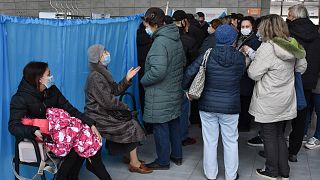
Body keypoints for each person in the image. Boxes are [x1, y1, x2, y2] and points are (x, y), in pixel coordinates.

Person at [8, 61, 111, 180]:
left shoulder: (51, 90)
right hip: (41, 136)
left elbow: (69, 108)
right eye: (49, 74)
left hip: (59, 133)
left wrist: (90, 123)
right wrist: (33, 131)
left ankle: (75, 173)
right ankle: (79, 172)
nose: (51, 76)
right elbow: (13, 126)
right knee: (78, 138)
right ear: (40, 79)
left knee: (84, 132)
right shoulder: (20, 98)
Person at [247, 14, 307, 179]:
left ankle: (272, 170)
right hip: (286, 96)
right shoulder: (291, 45)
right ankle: (284, 171)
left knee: (268, 135)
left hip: (268, 98)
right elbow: (301, 66)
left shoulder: (267, 47)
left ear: (266, 28)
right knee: (279, 134)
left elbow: (253, 73)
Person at [183, 24, 244, 180]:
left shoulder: (207, 54)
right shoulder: (240, 58)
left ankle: (211, 174)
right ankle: (231, 176)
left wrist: (186, 90)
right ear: (233, 39)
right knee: (231, 141)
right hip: (230, 106)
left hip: (207, 105)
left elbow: (190, 71)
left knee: (210, 141)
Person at [84, 44, 152, 174]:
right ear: (98, 58)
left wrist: (127, 79)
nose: (107, 53)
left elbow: (115, 91)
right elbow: (107, 102)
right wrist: (125, 107)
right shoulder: (95, 77)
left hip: (104, 112)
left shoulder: (102, 73)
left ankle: (128, 154)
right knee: (130, 124)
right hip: (97, 115)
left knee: (129, 119)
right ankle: (134, 163)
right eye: (104, 52)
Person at [141, 7, 185, 170]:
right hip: (173, 89)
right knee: (173, 123)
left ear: (152, 23)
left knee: (160, 126)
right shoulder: (174, 37)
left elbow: (158, 71)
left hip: (160, 92)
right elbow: (182, 61)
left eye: (146, 25)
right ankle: (177, 156)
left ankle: (163, 161)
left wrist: (143, 80)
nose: (145, 28)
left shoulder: (160, 42)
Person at [286, 4, 320, 162]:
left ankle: (276, 149)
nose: (287, 17)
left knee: (281, 115)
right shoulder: (316, 33)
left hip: (289, 78)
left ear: (295, 16)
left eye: (289, 15)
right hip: (307, 80)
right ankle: (293, 151)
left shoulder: (289, 32)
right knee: (301, 116)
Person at [172, 10, 198, 146]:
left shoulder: (164, 39)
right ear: (184, 22)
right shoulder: (188, 40)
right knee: (182, 108)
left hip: (168, 79)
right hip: (183, 77)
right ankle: (181, 136)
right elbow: (194, 63)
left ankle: (172, 136)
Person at [236, 16, 262, 132]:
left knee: (245, 101)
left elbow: (256, 59)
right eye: (242, 26)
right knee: (242, 101)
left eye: (247, 26)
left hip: (247, 76)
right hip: (241, 76)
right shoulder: (240, 37)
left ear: (253, 27)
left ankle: (244, 125)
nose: (244, 28)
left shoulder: (254, 41)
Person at [137, 22, 153, 134]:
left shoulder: (135, 41)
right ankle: (150, 125)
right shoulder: (152, 42)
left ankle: (144, 123)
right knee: (149, 100)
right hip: (148, 73)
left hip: (138, 72)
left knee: (142, 98)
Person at [304, 74, 320, 149]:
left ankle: (318, 138)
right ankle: (303, 133)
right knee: (306, 110)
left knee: (319, 112)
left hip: (318, 87)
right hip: (309, 85)